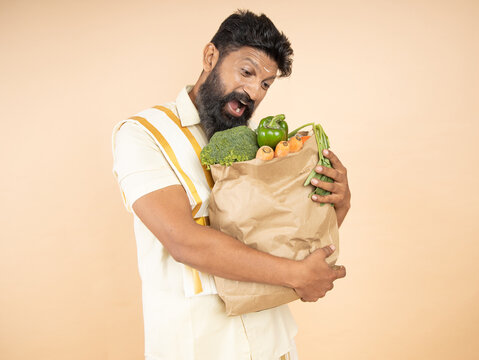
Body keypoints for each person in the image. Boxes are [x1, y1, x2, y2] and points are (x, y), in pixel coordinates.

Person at [112, 10, 351, 360]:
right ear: (211, 57)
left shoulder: (257, 146)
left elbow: (286, 234)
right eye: (246, 71)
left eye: (266, 84)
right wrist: (298, 275)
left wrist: (339, 201)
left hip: (273, 343)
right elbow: (183, 241)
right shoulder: (142, 134)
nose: (254, 91)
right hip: (200, 347)